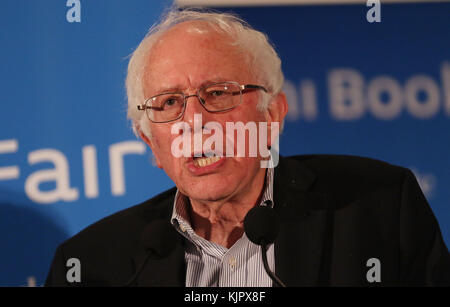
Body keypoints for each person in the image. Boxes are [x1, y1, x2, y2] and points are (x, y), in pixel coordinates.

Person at [45, 8, 450, 287]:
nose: (195, 122)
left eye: (218, 93)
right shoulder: (90, 264)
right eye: (168, 103)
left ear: (272, 114)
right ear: (150, 142)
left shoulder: (378, 207)